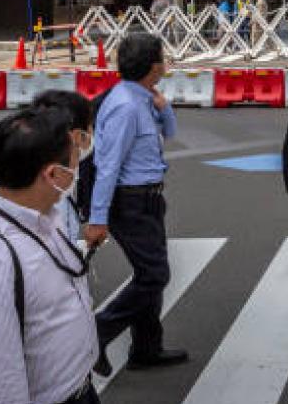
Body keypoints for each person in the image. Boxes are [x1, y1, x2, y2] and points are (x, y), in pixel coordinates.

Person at [0, 107, 99, 404]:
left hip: (80, 390)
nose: (79, 165)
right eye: (75, 160)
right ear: (53, 174)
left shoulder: (44, 219)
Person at [86, 34, 188, 375]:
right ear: (152, 66)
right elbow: (107, 166)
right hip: (130, 202)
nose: (166, 62)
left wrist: (164, 106)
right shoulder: (126, 107)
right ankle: (96, 334)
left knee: (150, 273)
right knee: (155, 275)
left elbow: (169, 132)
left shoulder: (142, 98)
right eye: (163, 57)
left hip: (149, 199)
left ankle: (146, 347)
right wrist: (98, 220)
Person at [0, 90, 94, 242]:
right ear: (75, 136)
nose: (92, 135)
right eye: (90, 128)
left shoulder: (18, 176)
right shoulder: (46, 193)